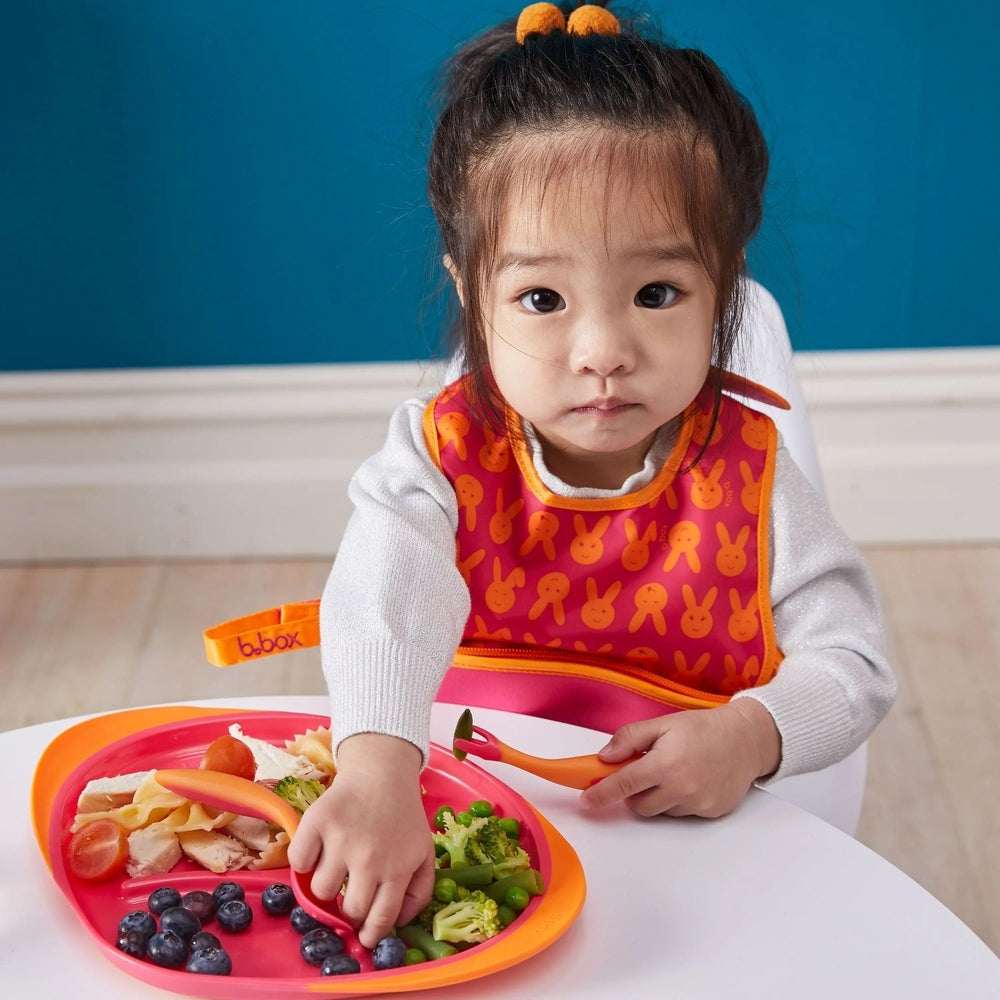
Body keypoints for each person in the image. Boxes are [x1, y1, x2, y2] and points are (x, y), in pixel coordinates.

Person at [287, 1, 896, 948]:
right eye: (541, 298)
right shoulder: (437, 456)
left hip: (697, 839)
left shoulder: (752, 477)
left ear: (724, 287)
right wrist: (373, 772)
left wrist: (751, 735)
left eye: (658, 293)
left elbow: (853, 666)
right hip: (473, 817)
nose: (604, 350)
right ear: (469, 288)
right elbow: (384, 602)